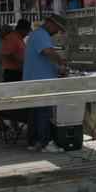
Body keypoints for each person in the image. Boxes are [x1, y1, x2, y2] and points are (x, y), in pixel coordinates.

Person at [23, 14, 69, 154]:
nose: (57, 32)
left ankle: (33, 141)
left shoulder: (37, 34)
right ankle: (46, 143)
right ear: (52, 24)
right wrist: (61, 64)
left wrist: (56, 69)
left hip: (35, 79)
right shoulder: (41, 34)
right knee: (45, 112)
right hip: (41, 81)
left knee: (35, 112)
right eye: (58, 29)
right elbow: (49, 52)